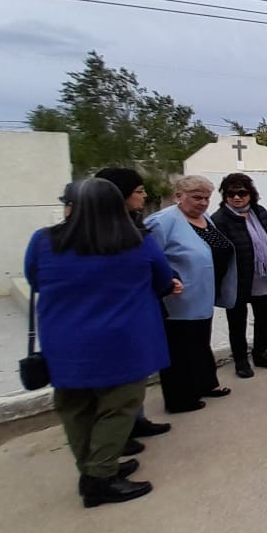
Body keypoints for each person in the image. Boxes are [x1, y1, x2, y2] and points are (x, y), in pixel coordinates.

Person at [25, 179, 177, 507]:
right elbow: (163, 281)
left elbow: (35, 279)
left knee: (75, 407)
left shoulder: (44, 241)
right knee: (118, 407)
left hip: (64, 342)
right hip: (124, 341)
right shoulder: (138, 242)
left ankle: (93, 469)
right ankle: (100, 479)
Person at [147, 175, 237, 413]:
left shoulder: (205, 219)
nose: (203, 203)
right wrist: (169, 279)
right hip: (179, 297)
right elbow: (150, 258)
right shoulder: (163, 221)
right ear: (178, 196)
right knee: (179, 349)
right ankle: (180, 399)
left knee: (199, 343)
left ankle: (206, 384)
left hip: (204, 294)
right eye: (197, 197)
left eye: (207, 198)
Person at [94, 167, 170, 439]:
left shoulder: (132, 225)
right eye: (138, 191)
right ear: (119, 195)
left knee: (132, 379)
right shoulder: (130, 235)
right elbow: (160, 273)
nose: (145, 195)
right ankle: (116, 440)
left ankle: (135, 421)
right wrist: (167, 283)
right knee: (118, 384)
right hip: (122, 318)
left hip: (122, 317)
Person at [211, 173, 267, 378]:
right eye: (231, 193)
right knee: (237, 323)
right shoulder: (220, 219)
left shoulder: (259, 212)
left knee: (263, 319)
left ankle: (261, 353)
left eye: (241, 192)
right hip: (237, 280)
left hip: (262, 277)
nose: (236, 197)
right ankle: (241, 361)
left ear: (250, 194)